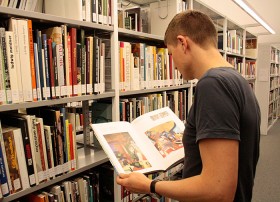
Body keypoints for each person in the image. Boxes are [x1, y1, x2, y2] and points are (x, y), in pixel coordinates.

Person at [116, 10, 260, 202]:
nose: (172, 64)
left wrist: (149, 185)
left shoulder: (213, 85)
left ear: (183, 43)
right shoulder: (237, 80)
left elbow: (218, 189)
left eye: (170, 53)